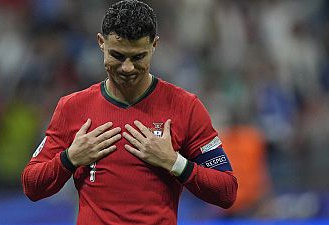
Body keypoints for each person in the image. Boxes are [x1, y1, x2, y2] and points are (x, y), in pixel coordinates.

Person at [22, 1, 238, 224]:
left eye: (137, 57)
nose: (127, 68)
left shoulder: (185, 107)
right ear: (100, 43)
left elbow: (227, 191)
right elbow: (31, 186)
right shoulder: (72, 107)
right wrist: (70, 158)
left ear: (154, 45)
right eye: (117, 56)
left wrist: (175, 162)